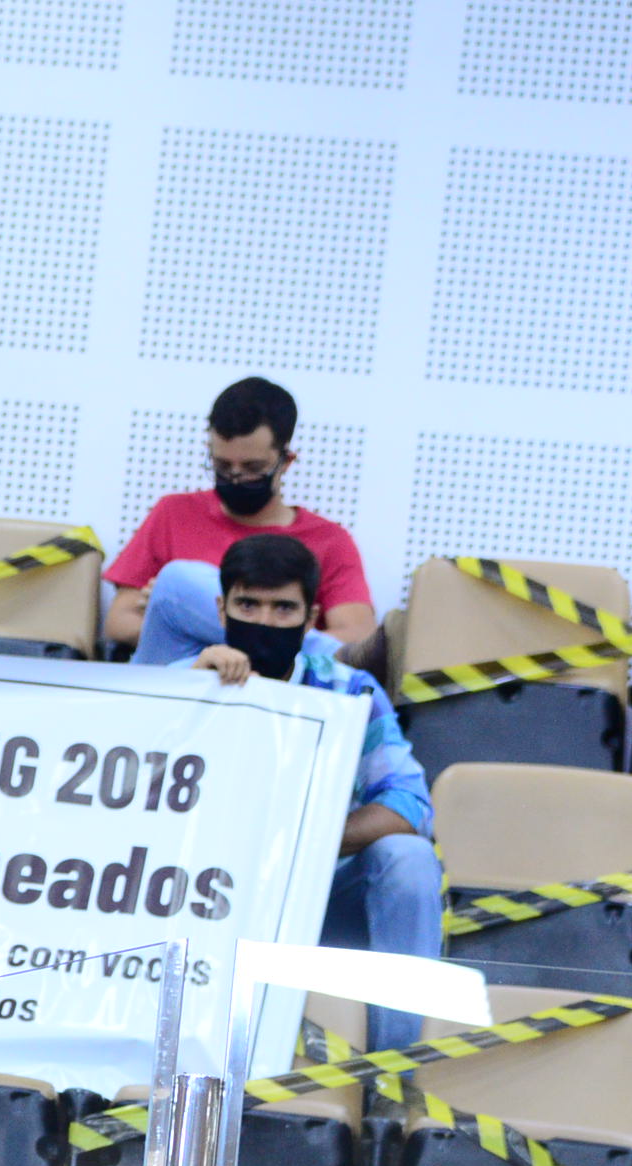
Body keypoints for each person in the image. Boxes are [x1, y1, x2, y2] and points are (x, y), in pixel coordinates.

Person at [167, 533, 441, 1054]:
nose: (265, 621)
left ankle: (394, 1074)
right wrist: (190, 700)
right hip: (201, 892)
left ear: (311, 617)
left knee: (409, 858)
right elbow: (129, 802)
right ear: (222, 609)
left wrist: (306, 841)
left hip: (316, 893)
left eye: (283, 608)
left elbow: (410, 805)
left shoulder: (351, 691)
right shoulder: (182, 680)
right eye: (248, 605)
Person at [105, 377, 376, 659]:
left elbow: (357, 637)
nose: (235, 478)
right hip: (182, 670)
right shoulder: (173, 513)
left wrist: (192, 607)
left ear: (286, 462)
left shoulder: (328, 540)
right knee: (177, 581)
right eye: (222, 466)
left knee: (177, 584)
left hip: (275, 679)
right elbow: (119, 621)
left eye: (252, 468)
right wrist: (177, 617)